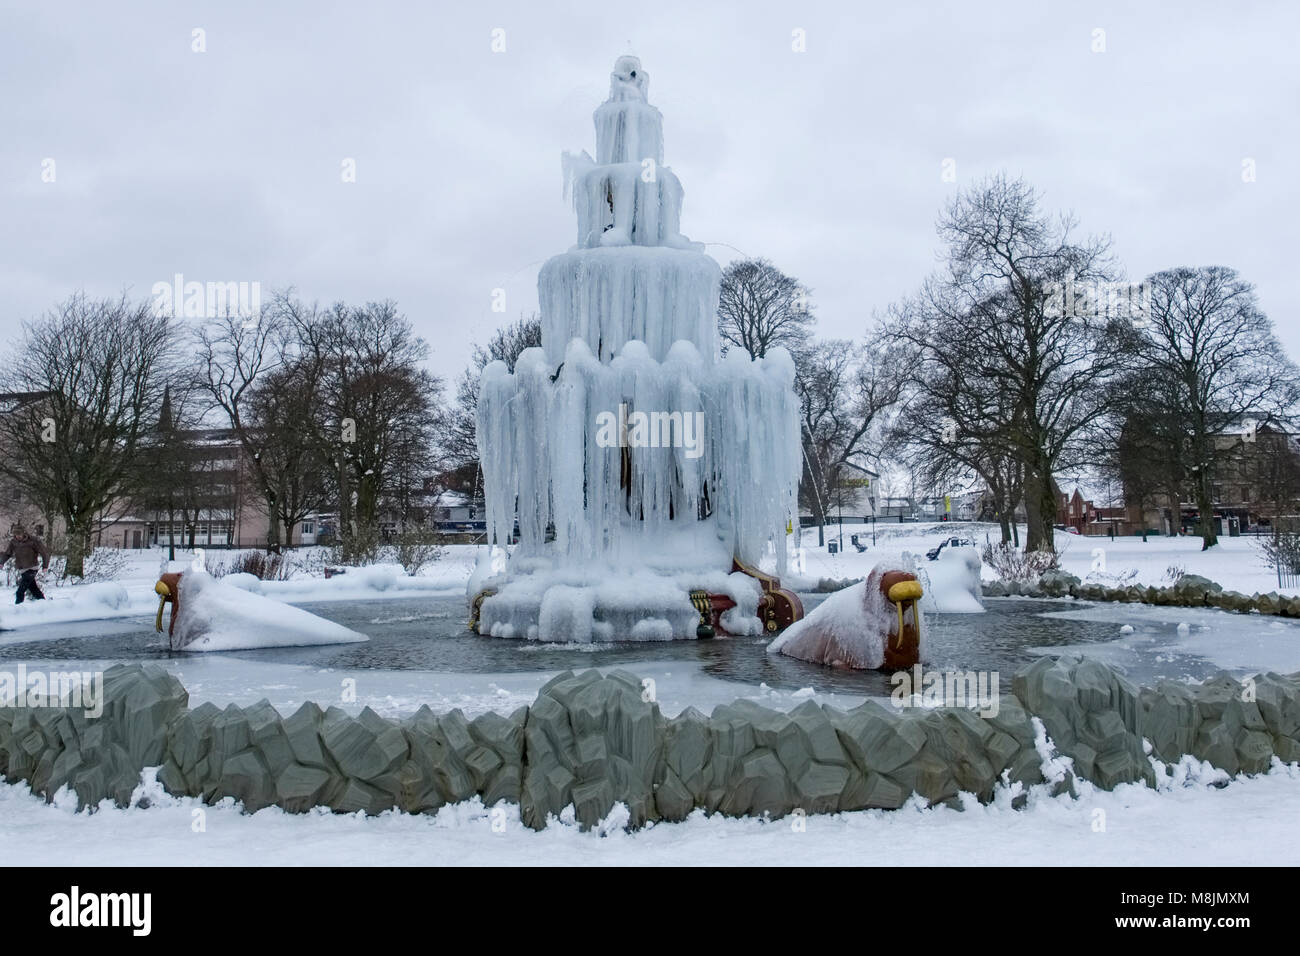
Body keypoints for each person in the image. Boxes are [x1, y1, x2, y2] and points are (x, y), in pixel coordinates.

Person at [1, 523, 50, 604]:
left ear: (23, 533)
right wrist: (1, 562)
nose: (18, 536)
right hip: (22, 569)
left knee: (20, 591)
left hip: (32, 568)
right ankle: (44, 604)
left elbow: (44, 553)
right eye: (16, 534)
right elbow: (8, 554)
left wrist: (45, 566)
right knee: (34, 589)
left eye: (19, 534)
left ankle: (18, 608)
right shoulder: (13, 542)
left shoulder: (33, 540)